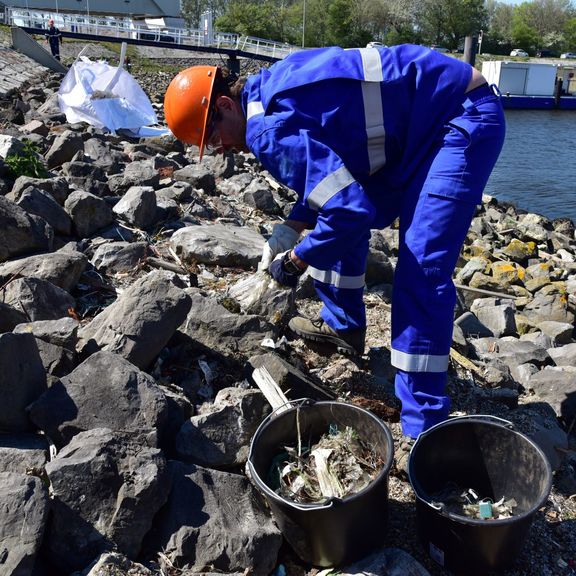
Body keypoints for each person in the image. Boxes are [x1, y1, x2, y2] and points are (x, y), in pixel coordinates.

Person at [163, 44, 506, 451]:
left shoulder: (264, 131)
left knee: (421, 267)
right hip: (413, 132)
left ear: (224, 104)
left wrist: (294, 262)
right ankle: (344, 325)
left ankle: (426, 425)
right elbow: (333, 179)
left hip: (459, 117)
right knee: (342, 215)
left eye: (213, 135)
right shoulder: (265, 91)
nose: (219, 148)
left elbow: (348, 213)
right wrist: (292, 224)